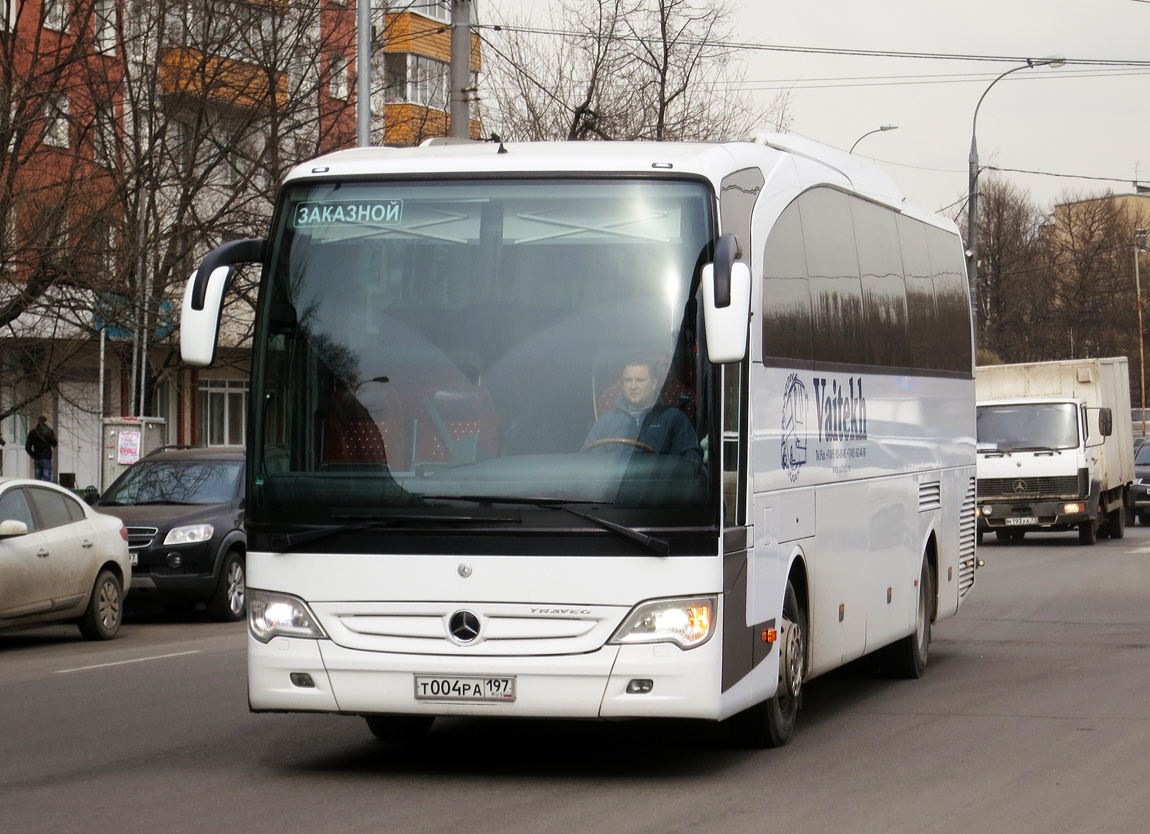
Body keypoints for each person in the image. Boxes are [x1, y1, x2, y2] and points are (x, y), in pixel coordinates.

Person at [583, 359, 701, 459]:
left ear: (653, 383)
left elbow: (689, 465)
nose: (633, 386)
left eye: (640, 380)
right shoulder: (606, 421)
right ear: (622, 384)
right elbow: (589, 462)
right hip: (615, 485)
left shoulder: (674, 419)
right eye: (628, 380)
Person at [25, 415, 58, 482]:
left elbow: (27, 447)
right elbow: (54, 443)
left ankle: (38, 490)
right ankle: (46, 491)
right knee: (47, 476)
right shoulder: (48, 431)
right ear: (45, 422)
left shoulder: (33, 432)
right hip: (46, 457)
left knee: (38, 478)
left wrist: (33, 455)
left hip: (37, 457)